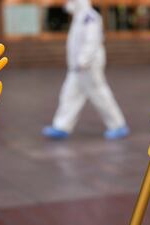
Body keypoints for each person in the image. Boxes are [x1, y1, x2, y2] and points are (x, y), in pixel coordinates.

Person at [42, 0, 129, 140]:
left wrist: (83, 60)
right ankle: (61, 126)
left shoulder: (90, 17)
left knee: (99, 94)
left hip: (88, 67)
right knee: (69, 95)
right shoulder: (79, 17)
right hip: (77, 68)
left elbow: (92, 41)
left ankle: (117, 125)